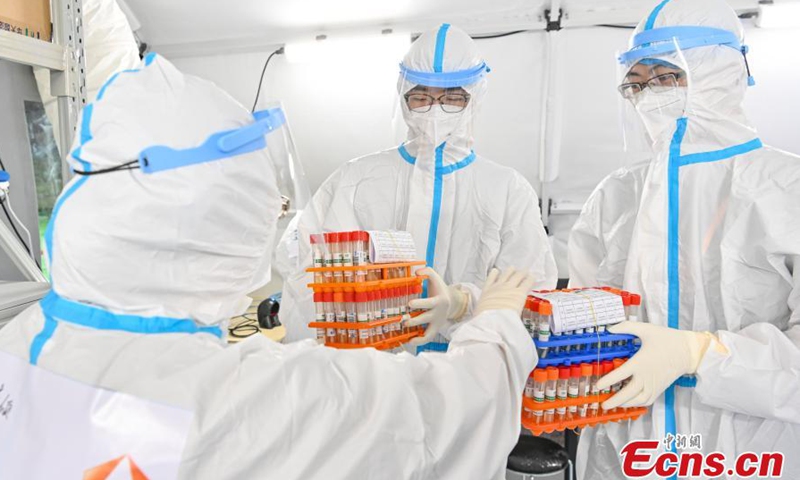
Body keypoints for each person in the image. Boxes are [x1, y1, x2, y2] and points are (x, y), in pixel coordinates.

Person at [0, 53, 541, 480]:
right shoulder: (247, 400)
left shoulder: (20, 341)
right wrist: (491, 320)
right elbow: (442, 416)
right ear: (206, 227)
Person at [570, 0, 800, 478]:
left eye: (668, 76)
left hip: (750, 450)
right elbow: (581, 316)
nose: (650, 94)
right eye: (637, 83)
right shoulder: (616, 194)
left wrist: (700, 354)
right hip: (625, 442)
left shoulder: (786, 188)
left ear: (720, 72)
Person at [275, 23, 558, 345]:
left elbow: (530, 283)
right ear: (403, 96)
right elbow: (306, 265)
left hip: (468, 359)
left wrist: (465, 302)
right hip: (372, 359)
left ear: (475, 99)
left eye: (452, 98)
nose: (435, 110)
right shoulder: (355, 179)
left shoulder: (506, 188)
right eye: (421, 97)